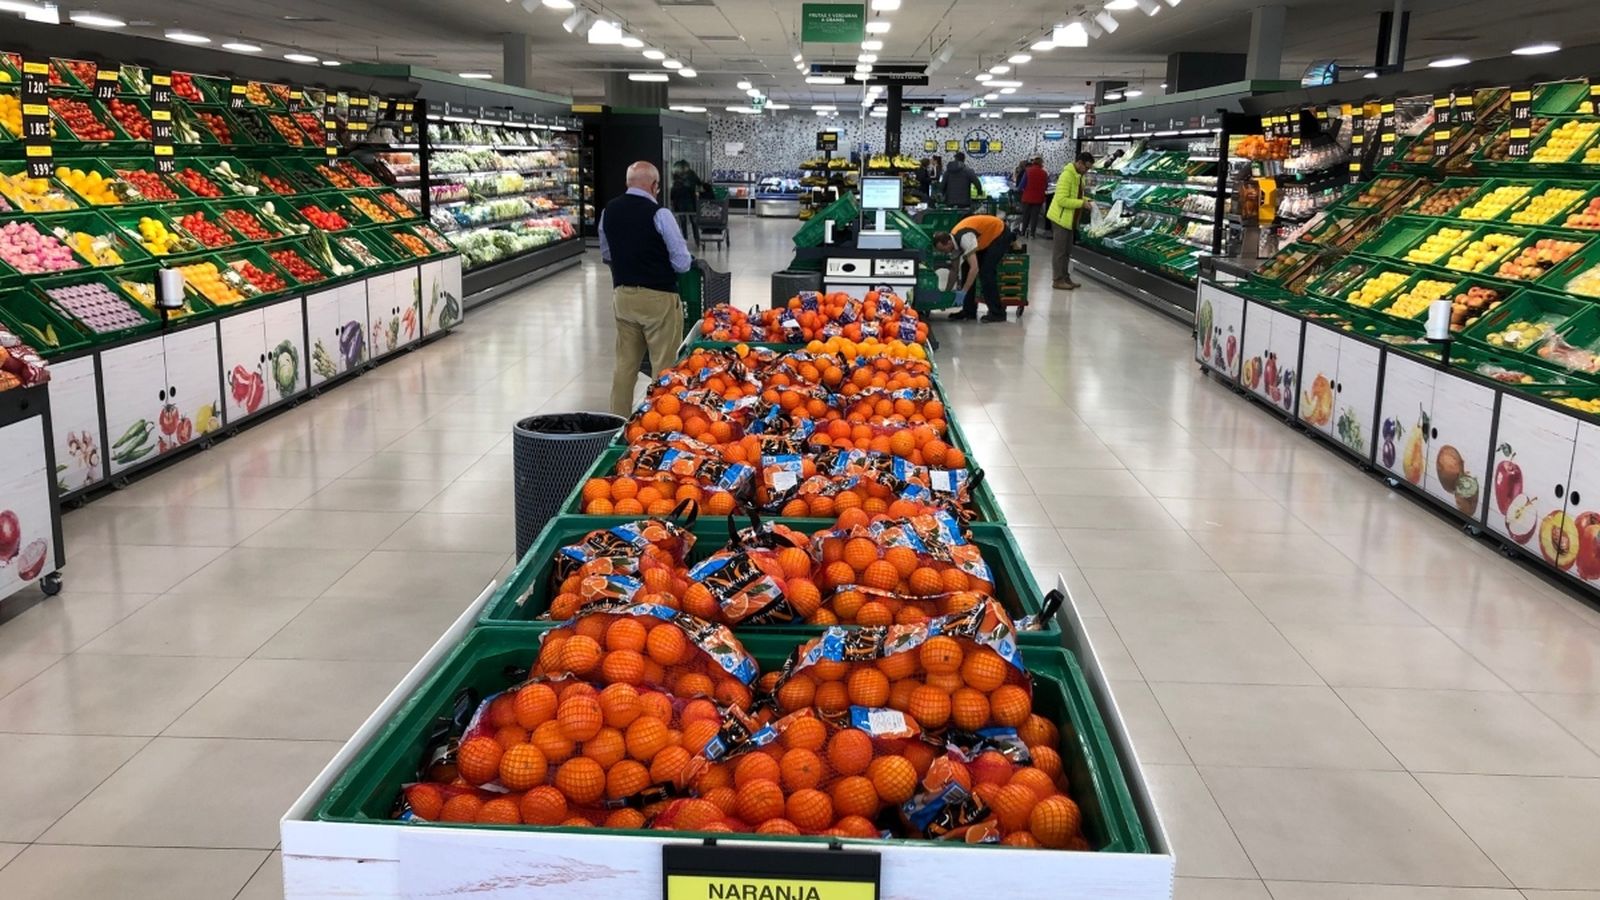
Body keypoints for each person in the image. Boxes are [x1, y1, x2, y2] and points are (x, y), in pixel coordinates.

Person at [599, 161, 693, 416]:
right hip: (659, 298)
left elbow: (607, 253)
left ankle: (618, 420)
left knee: (625, 365)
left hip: (623, 296)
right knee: (662, 365)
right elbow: (682, 262)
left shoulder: (609, 211)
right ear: (654, 186)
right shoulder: (660, 214)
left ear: (628, 183)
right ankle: (658, 421)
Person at [932, 213, 1015, 323]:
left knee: (986, 272)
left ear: (948, 242)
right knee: (965, 268)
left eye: (943, 250)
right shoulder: (953, 243)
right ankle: (969, 311)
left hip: (999, 233)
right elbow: (954, 270)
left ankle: (997, 313)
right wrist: (946, 295)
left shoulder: (964, 238)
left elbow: (974, 268)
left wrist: (963, 292)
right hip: (984, 237)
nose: (944, 253)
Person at [1047, 151, 1093, 290]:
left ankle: (1065, 277)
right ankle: (1057, 280)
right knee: (1060, 252)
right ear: (1079, 163)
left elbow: (1076, 196)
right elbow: (1061, 200)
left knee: (1067, 252)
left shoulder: (1079, 176)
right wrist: (1081, 203)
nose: (1087, 170)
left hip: (1070, 219)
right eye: (1086, 167)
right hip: (1060, 219)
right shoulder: (1067, 175)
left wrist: (1087, 200)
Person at [669, 159, 703, 244]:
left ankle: (684, 239)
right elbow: (699, 183)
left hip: (679, 203)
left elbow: (673, 191)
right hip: (691, 202)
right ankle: (697, 240)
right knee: (694, 221)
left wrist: (672, 200)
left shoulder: (676, 176)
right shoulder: (691, 174)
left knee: (683, 221)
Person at [1018, 156, 1048, 239]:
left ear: (1033, 162)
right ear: (1041, 163)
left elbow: (1021, 185)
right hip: (1038, 199)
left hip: (1027, 198)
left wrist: (1020, 189)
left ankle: (1023, 232)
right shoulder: (1044, 173)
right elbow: (1046, 186)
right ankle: (1032, 234)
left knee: (1025, 216)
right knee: (1034, 217)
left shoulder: (1028, 171)